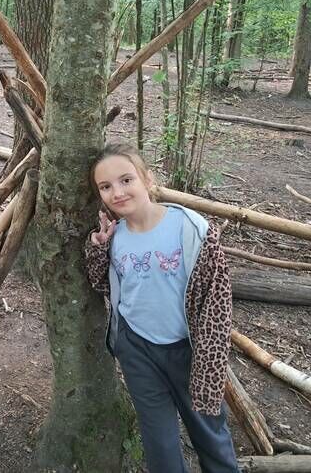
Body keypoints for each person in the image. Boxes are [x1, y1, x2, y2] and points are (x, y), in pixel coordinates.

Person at [85, 143, 238, 473]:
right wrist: (98, 249)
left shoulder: (191, 229)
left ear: (148, 179)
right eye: (106, 186)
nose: (117, 192)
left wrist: (208, 366)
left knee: (210, 435)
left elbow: (217, 306)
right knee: (160, 443)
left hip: (189, 352)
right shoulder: (115, 237)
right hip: (137, 349)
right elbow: (104, 286)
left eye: (126, 180)